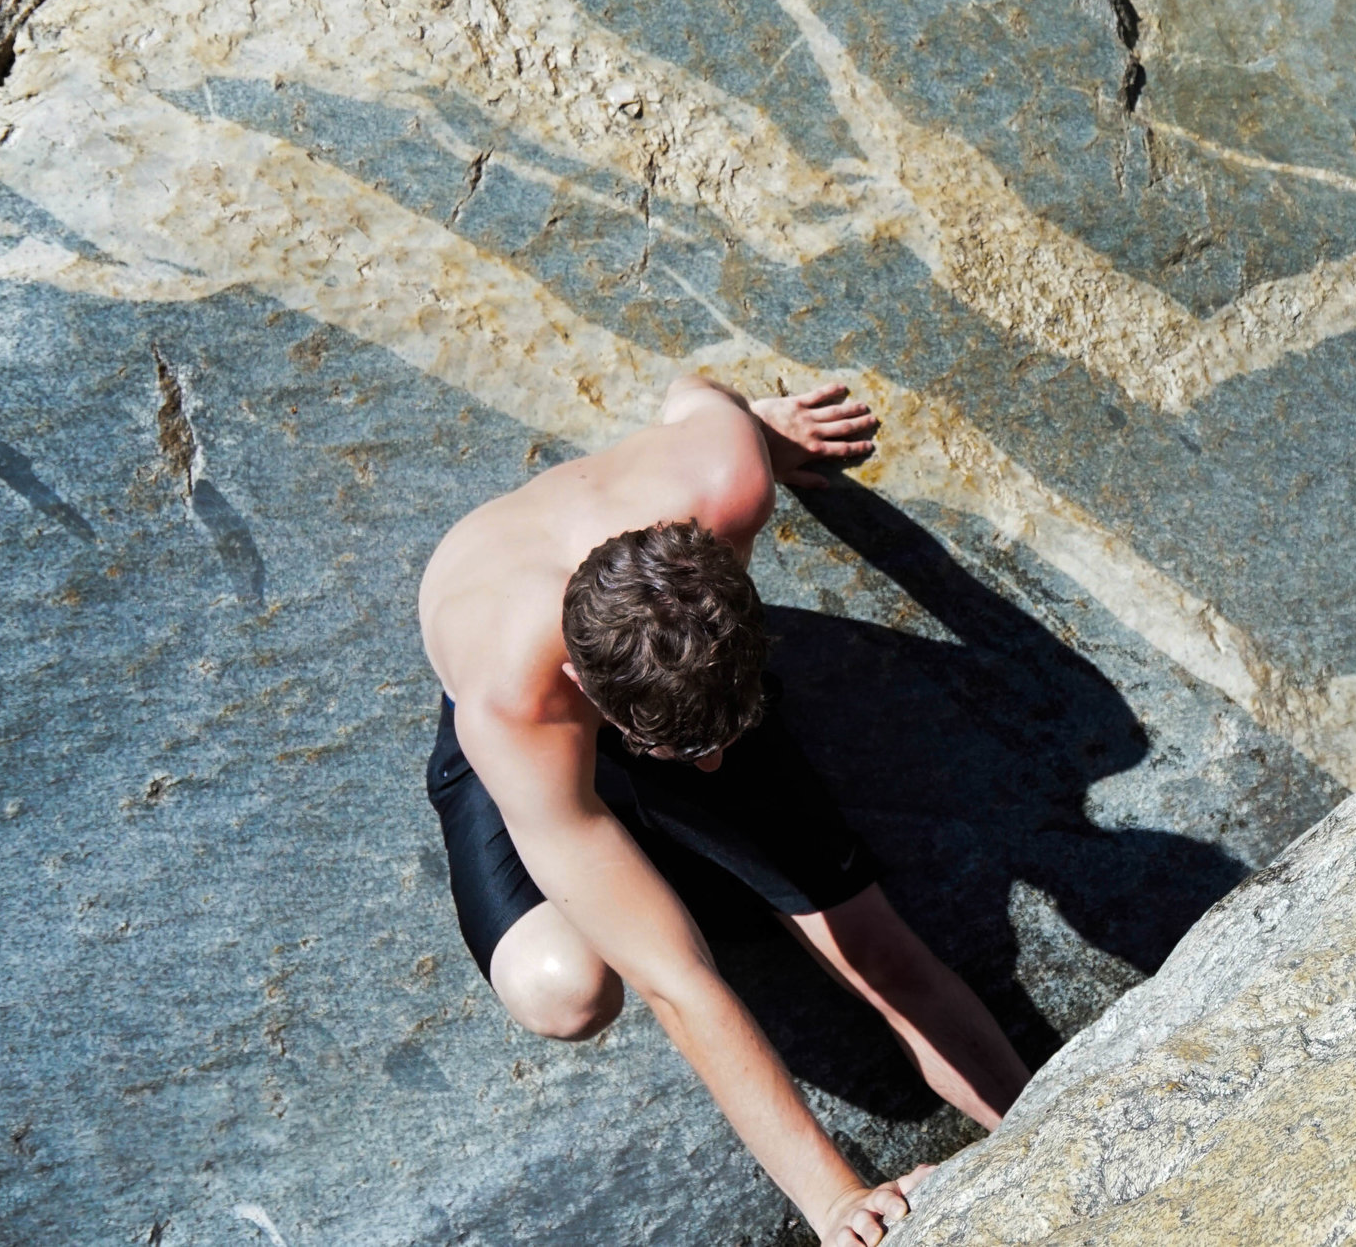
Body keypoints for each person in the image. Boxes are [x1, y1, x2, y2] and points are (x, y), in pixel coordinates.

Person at [417, 373, 1031, 1246]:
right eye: (685, 751)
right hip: (543, 715)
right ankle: (658, 809)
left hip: (685, 656)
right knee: (565, 991)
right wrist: (835, 1201)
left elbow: (692, 388)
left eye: (726, 737)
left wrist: (765, 429)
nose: (711, 766)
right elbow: (679, 980)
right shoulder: (512, 704)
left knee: (875, 947)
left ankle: (1051, 1115)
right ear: (593, 693)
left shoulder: (728, 478)